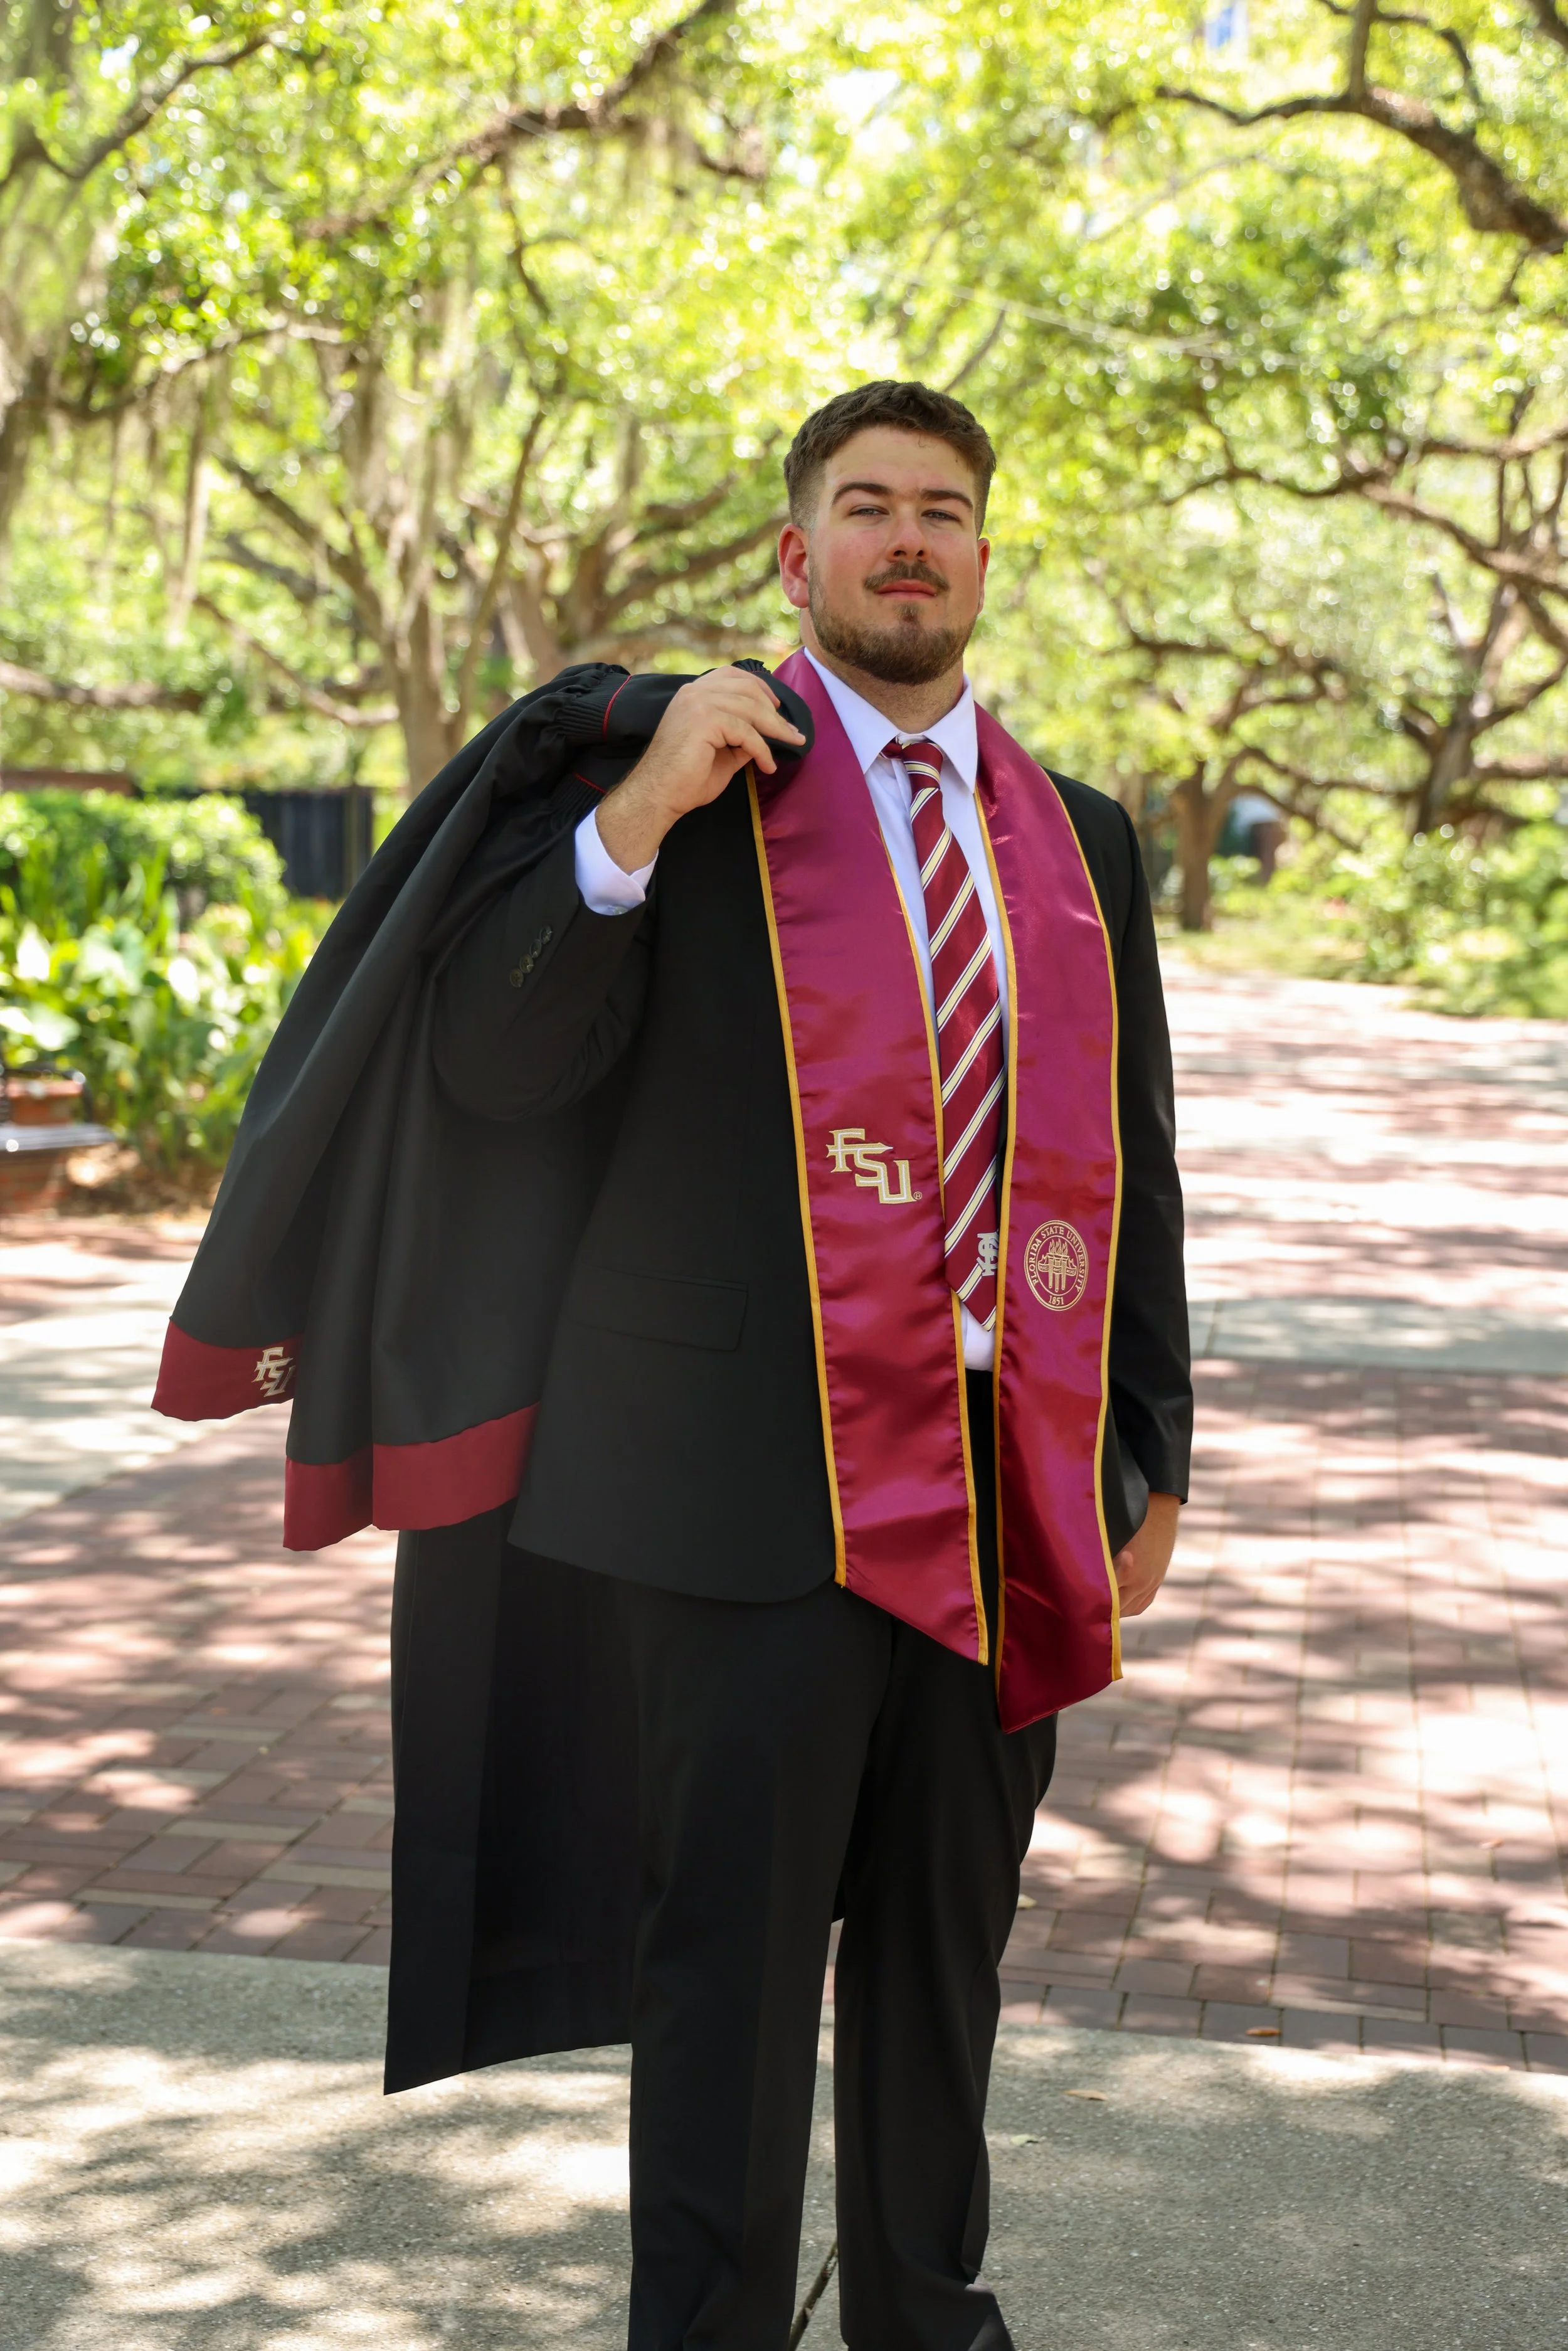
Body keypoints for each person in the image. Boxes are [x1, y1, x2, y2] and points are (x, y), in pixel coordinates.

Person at [154, 378, 1190, 2351]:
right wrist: (626, 826)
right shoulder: (689, 788)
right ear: (792, 556)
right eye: (865, 505)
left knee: (940, 1959)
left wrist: (1154, 1447)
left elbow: (1128, 1160)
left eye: (943, 510)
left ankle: (923, 2319)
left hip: (1001, 1492)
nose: (908, 537)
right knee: (720, 1973)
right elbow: (492, 1064)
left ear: (983, 555)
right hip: (737, 1495)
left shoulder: (1082, 841)